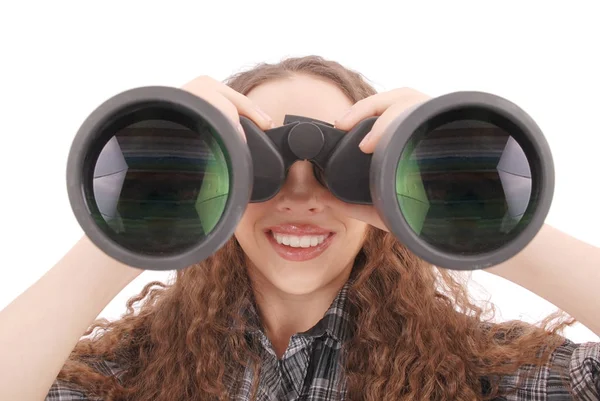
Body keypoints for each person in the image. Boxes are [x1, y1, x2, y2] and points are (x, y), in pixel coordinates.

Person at [0, 55, 599, 401]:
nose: (301, 194)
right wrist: (142, 206)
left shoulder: (484, 375)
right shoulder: (123, 379)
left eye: (346, 171)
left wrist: (473, 213)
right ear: (221, 179)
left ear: (384, 181)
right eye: (257, 165)